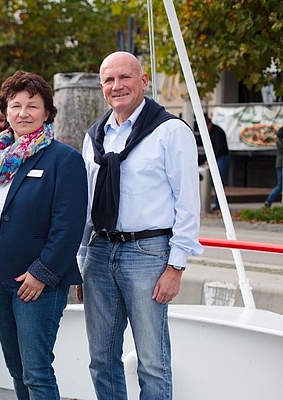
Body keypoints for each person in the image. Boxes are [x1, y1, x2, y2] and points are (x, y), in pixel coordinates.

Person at [77, 51, 203, 400]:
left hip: (147, 253)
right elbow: (87, 205)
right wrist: (81, 260)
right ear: (102, 87)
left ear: (143, 81)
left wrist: (175, 266)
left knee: (152, 360)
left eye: (125, 77)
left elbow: (188, 205)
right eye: (109, 80)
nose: (117, 86)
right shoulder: (95, 137)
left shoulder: (170, 131)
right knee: (101, 358)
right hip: (100, 253)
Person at [0, 70, 87, 399]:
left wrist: (42, 273)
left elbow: (68, 225)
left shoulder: (64, 159)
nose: (23, 113)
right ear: (5, 111)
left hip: (36, 282)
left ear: (47, 112)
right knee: (16, 368)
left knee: (36, 370)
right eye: (16, 105)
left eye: (32, 106)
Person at [205, 114, 230, 211]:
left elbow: (220, 148)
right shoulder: (210, 132)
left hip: (222, 157)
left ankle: (219, 205)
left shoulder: (218, 132)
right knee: (214, 181)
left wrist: (211, 158)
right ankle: (216, 203)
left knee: (218, 180)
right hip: (215, 157)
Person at [264, 126, 283, 208]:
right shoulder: (281, 139)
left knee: (280, 185)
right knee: (280, 185)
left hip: (279, 164)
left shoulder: (279, 137)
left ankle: (269, 201)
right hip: (281, 164)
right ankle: (269, 201)